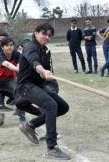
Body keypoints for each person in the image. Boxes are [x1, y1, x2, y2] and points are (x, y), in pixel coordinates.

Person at [17, 23, 70, 160]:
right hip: (26, 86)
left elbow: (45, 70)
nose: (47, 37)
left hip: (39, 85)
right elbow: (34, 62)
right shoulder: (30, 47)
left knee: (63, 107)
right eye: (44, 34)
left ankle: (30, 125)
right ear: (36, 33)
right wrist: (41, 70)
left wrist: (46, 75)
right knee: (51, 105)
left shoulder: (45, 50)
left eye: (49, 35)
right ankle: (51, 149)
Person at [0, 37, 20, 126]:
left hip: (9, 79)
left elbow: (19, 64)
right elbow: (7, 64)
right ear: (2, 47)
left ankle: (20, 112)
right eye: (7, 45)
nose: (9, 47)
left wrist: (20, 68)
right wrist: (17, 69)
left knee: (18, 87)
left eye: (11, 45)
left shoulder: (17, 54)